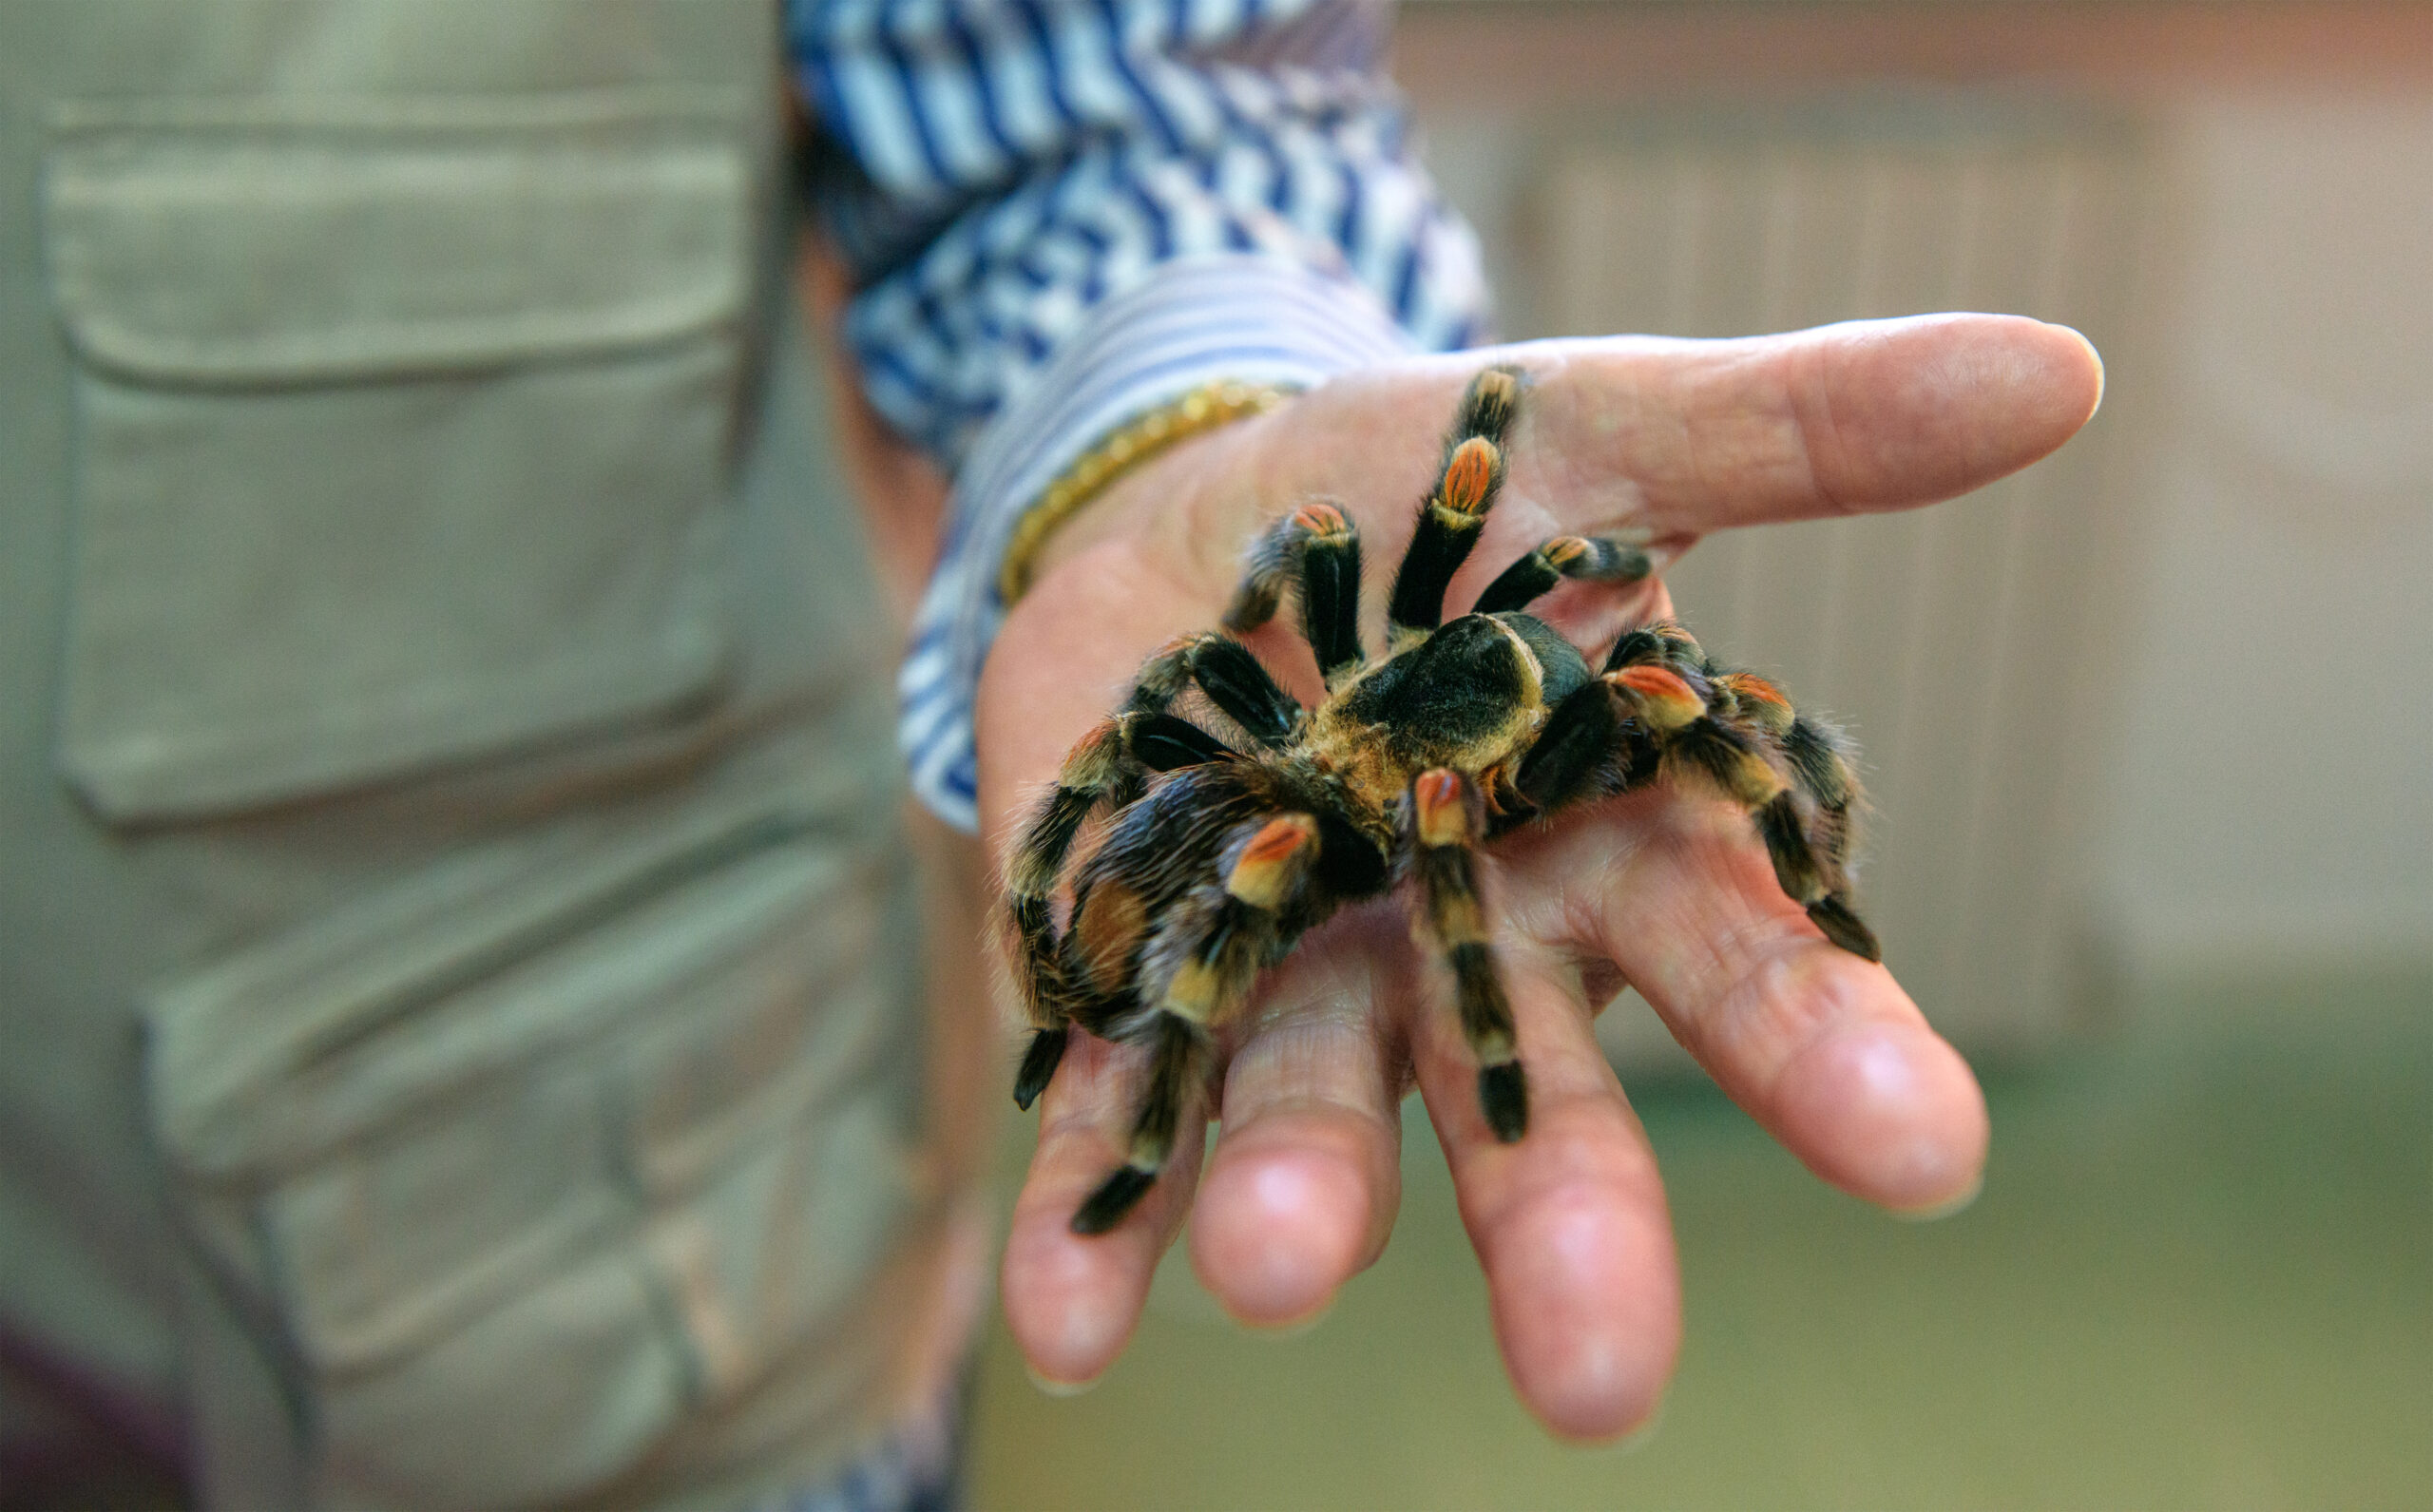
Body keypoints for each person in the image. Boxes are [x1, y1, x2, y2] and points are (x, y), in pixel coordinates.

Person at [0, 3, 2098, 1510]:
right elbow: (1427, 860)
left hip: (574, 1357)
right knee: (1347, 857)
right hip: (378, 1204)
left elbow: (1122, 119)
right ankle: (1096, 1041)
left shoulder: (1343, 693)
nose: (1617, 668)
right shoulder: (1355, 789)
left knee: (1607, 748)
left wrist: (1193, 417)